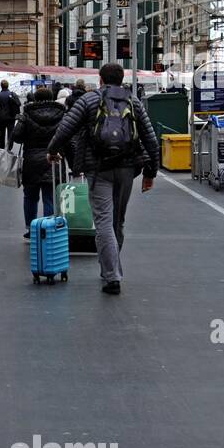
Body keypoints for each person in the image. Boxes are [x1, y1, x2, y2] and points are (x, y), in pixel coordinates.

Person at [47, 62, 160, 296]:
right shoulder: (133, 102)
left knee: (104, 223)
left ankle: (111, 275)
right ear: (122, 80)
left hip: (98, 170)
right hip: (127, 169)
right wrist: (151, 173)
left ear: (100, 79)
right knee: (117, 221)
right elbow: (151, 139)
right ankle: (110, 269)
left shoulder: (88, 101)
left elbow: (65, 128)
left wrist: (52, 150)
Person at [11, 87, 67, 239]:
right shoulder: (61, 113)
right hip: (53, 160)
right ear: (52, 97)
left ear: (35, 98)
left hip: (31, 161)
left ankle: (31, 228)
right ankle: (47, 228)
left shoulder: (27, 113)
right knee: (49, 197)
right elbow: (68, 136)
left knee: (30, 197)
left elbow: (16, 136)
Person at [0, 79, 19, 147]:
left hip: (1, 118)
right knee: (10, 133)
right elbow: (18, 104)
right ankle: (9, 148)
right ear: (8, 86)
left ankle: (1, 149)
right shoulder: (12, 94)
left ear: (1, 86)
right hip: (11, 117)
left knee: (2, 134)